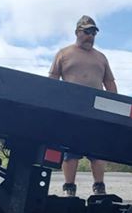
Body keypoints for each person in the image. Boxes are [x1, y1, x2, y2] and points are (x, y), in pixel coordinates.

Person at [49, 15, 117, 196]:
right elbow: (53, 81)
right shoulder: (64, 54)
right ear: (77, 32)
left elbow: (109, 82)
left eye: (94, 32)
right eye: (87, 32)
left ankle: (99, 187)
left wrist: (115, 107)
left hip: (97, 112)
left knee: (98, 151)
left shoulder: (101, 58)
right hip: (71, 111)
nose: (91, 36)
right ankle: (69, 188)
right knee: (71, 151)